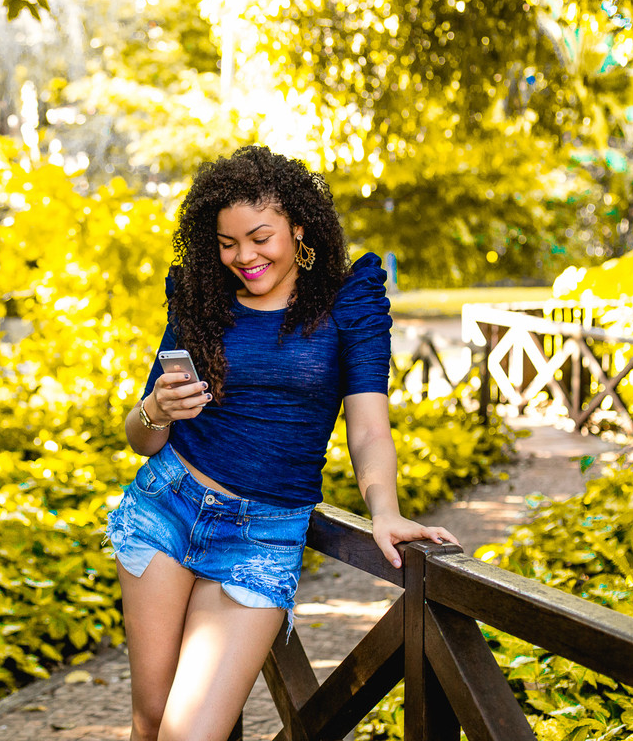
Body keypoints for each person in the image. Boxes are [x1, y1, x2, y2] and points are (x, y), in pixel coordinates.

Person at [105, 145, 459, 741]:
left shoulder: (350, 307)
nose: (244, 256)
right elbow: (141, 437)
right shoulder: (199, 302)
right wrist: (156, 409)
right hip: (164, 509)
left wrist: (386, 511)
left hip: (261, 536)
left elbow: (369, 427)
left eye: (260, 237)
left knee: (186, 735)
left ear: (299, 226)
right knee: (149, 722)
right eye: (227, 243)